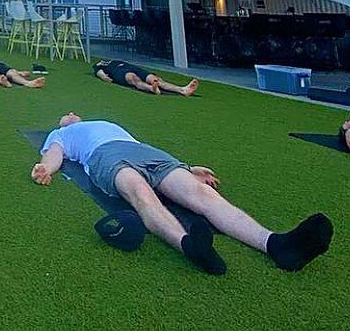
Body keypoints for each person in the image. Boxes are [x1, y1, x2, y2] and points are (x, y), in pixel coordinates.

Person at [31, 113, 333, 275]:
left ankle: (277, 244)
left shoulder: (104, 122)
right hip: (105, 157)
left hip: (145, 152)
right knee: (140, 192)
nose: (70, 114)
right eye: (65, 115)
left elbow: (136, 142)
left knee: (202, 194)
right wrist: (46, 168)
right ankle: (188, 245)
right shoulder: (61, 134)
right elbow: (55, 154)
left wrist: (189, 169)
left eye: (73, 113)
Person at [94, 59, 199, 97]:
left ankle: (182, 90)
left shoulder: (114, 60)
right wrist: (103, 76)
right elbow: (99, 71)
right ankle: (151, 89)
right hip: (118, 72)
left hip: (131, 67)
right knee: (133, 79)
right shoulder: (101, 65)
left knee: (155, 79)